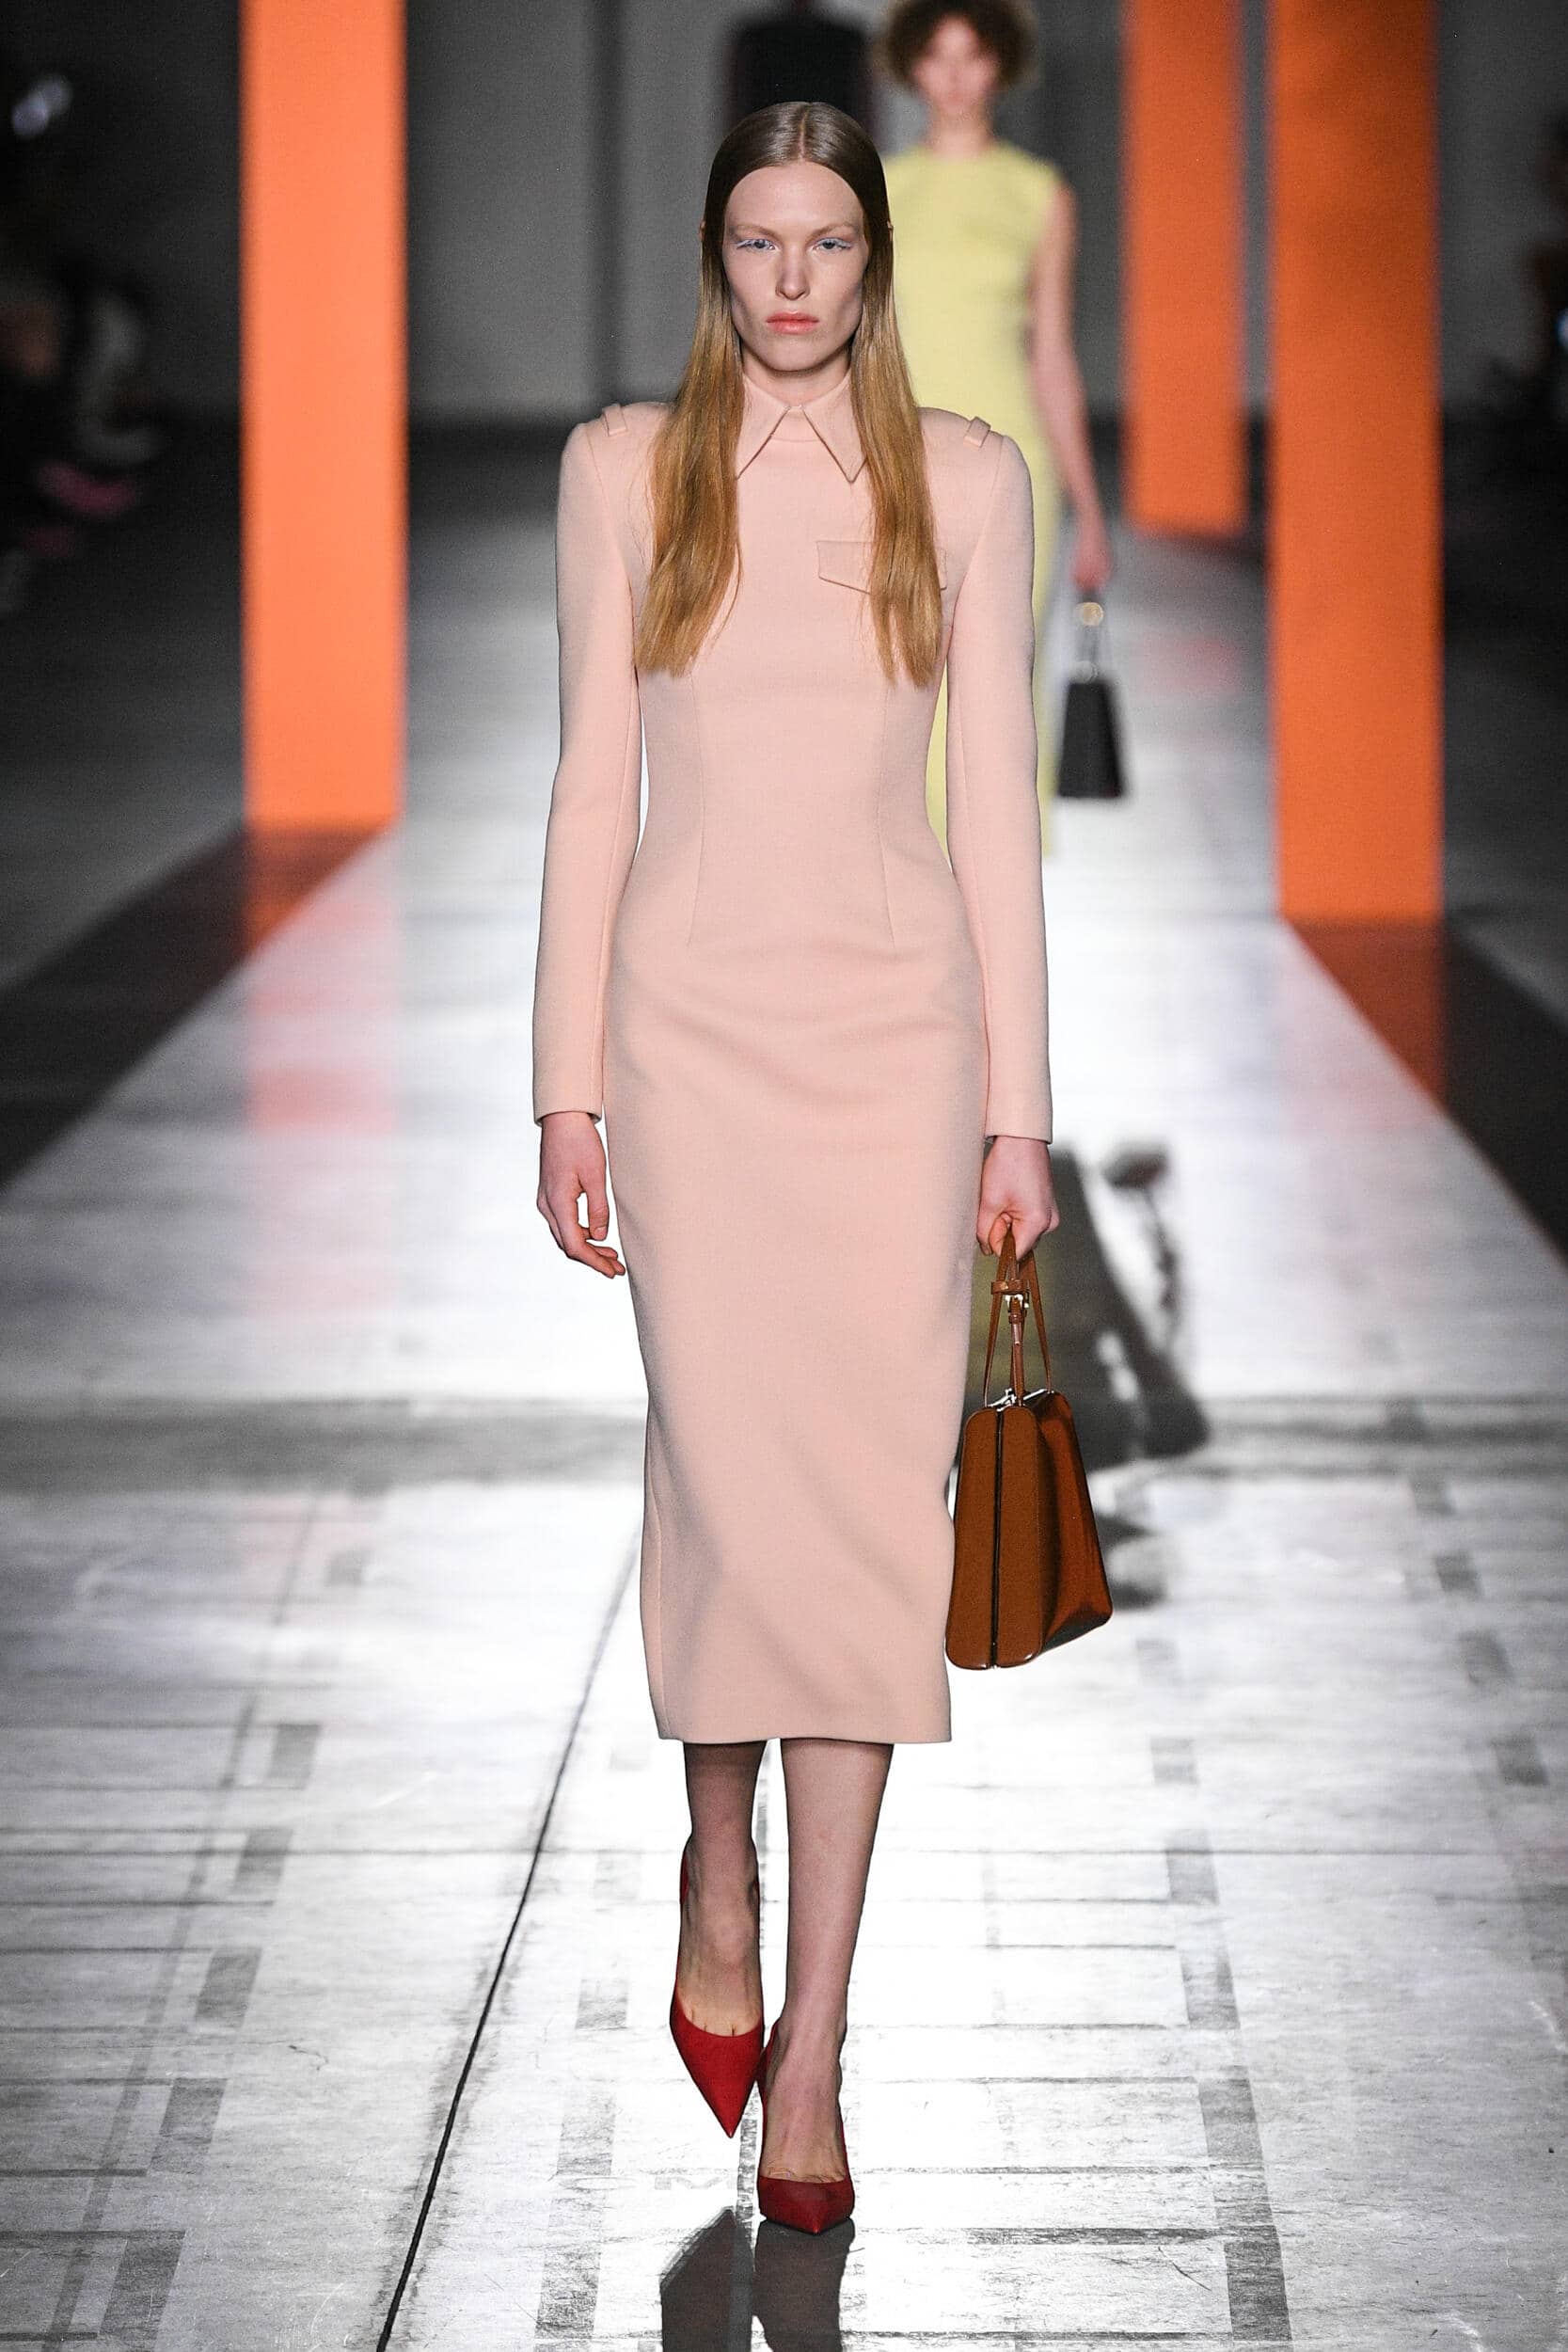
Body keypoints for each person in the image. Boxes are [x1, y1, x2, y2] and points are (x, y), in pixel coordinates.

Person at [531, 99, 1058, 2233]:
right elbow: (589, 790)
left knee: (856, 1545)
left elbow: (993, 809)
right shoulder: (620, 471)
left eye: (827, 242)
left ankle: (817, 2045)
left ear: (872, 262)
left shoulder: (969, 481)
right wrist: (562, 1091)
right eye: (758, 241)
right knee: (733, 1502)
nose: (792, 281)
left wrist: (1018, 1112)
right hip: (685, 1051)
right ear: (714, 257)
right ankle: (714, 1870)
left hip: (894, 1055)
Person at [879, 0, 1112, 853]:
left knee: (1002, 674)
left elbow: (1051, 354)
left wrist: (1089, 510)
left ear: (1000, 67)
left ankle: (999, 878)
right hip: (897, 455)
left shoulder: (1038, 194)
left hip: (1014, 461)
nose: (953, 76)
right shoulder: (876, 191)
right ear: (910, 66)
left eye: (972, 56)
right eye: (936, 55)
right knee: (902, 672)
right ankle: (914, 877)